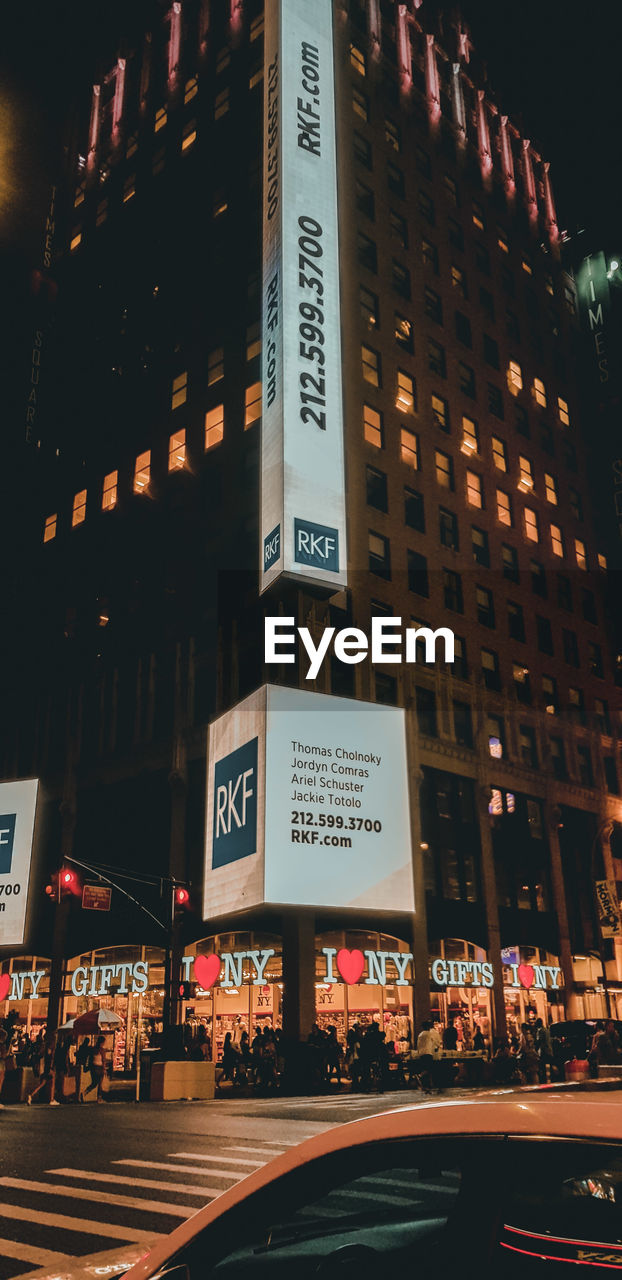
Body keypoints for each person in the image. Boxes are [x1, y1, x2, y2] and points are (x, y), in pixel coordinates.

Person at [27, 1033, 60, 1105]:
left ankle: (31, 1095)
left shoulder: (44, 1046)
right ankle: (51, 1099)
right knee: (52, 1083)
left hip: (44, 1067)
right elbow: (51, 1058)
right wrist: (51, 1067)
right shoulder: (52, 1047)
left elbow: (40, 1055)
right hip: (49, 1067)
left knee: (42, 1083)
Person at [416, 1021, 441, 1093]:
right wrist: (438, 1046)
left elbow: (418, 1045)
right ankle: (420, 1076)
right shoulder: (429, 1034)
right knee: (429, 1069)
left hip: (421, 1053)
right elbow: (436, 1042)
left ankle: (426, 1085)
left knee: (425, 1068)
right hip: (428, 1053)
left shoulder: (420, 1034)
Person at [80, 1035, 107, 1103]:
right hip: (99, 1067)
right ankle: (99, 1098)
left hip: (93, 1067)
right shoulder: (102, 1050)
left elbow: (90, 1058)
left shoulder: (93, 1049)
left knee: (94, 1083)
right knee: (99, 1083)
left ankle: (85, 1093)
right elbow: (103, 1060)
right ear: (102, 1042)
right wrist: (104, 1069)